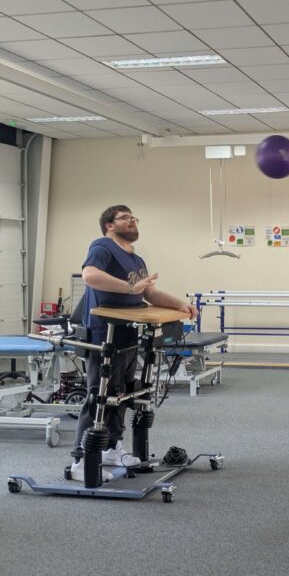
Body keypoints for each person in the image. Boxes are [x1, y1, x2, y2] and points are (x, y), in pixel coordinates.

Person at [70, 204, 197, 481]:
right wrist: (130, 288)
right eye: (125, 218)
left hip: (128, 332)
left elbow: (149, 292)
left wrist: (182, 304)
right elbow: (90, 276)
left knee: (123, 394)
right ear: (110, 225)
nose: (132, 221)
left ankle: (112, 447)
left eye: (134, 218)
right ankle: (80, 461)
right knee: (99, 396)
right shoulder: (102, 246)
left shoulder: (136, 260)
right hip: (104, 331)